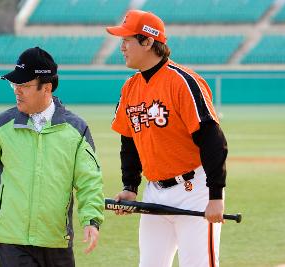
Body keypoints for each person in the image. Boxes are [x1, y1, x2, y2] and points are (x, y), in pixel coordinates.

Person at [0, 47, 104, 267]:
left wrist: (91, 220)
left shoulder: (76, 129)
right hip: (11, 239)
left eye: (24, 85)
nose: (17, 91)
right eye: (14, 84)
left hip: (56, 239)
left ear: (47, 88)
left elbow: (89, 180)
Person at [106, 10, 228, 267]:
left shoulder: (183, 81)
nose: (122, 47)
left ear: (148, 41)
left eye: (127, 40)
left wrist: (215, 196)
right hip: (154, 192)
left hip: (193, 190)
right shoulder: (130, 87)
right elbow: (129, 142)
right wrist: (130, 187)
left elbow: (212, 139)